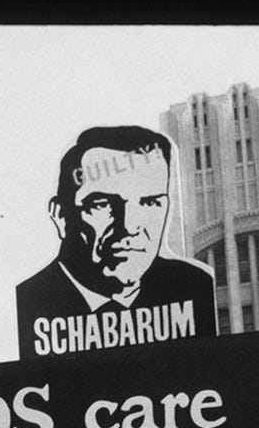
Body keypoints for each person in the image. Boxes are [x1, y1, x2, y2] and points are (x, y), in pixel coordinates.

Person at [13, 125, 217, 361]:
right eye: (102, 204)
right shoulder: (35, 301)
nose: (130, 227)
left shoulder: (192, 287)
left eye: (150, 203)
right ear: (60, 215)